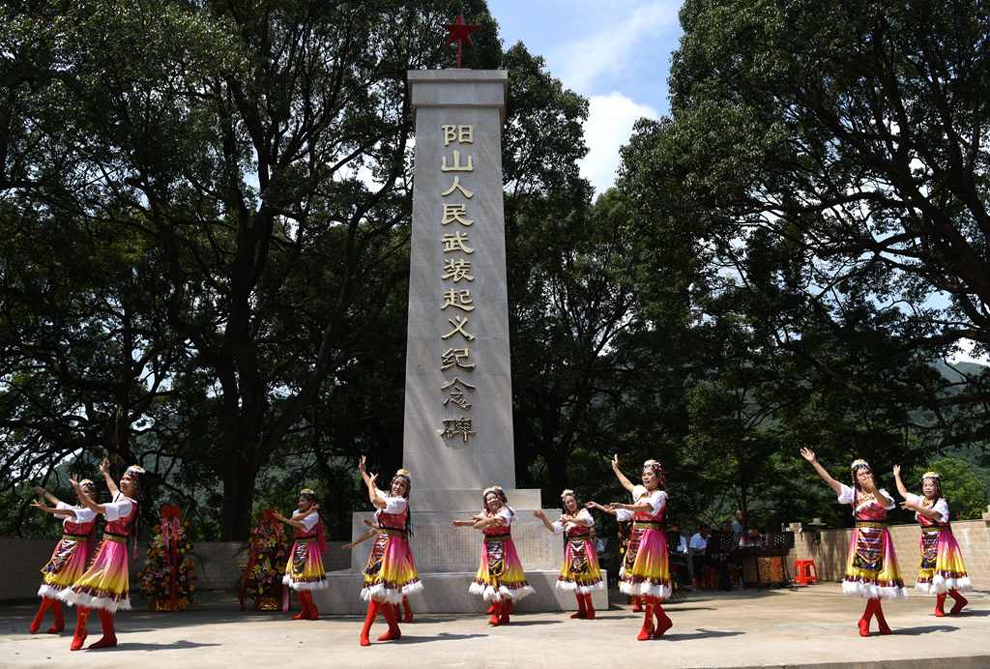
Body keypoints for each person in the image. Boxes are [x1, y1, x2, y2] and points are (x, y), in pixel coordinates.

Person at [800, 448, 906, 637]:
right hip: (863, 540)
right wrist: (814, 462)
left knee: (880, 581)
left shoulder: (882, 492)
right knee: (870, 583)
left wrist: (873, 489)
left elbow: (886, 504)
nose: (865, 476)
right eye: (861, 474)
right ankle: (878, 623)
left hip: (881, 539)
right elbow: (830, 481)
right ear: (855, 478)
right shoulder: (852, 493)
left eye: (867, 472)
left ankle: (866, 620)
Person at [60, 459, 144, 650]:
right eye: (123, 478)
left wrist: (79, 491)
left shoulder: (127, 505)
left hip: (113, 550)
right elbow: (113, 489)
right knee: (103, 595)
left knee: (84, 588)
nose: (123, 481)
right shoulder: (122, 499)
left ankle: (80, 632)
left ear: (137, 486)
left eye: (128, 480)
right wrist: (105, 472)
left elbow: (96, 508)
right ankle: (109, 636)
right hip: (109, 547)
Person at [357, 458, 421, 646]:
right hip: (381, 545)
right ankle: (394, 629)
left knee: (378, 591)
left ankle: (364, 632)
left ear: (406, 490)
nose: (398, 487)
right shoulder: (390, 499)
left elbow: (374, 499)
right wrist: (363, 472)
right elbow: (374, 488)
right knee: (380, 590)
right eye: (396, 483)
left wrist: (371, 485)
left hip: (393, 549)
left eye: (402, 485)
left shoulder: (399, 503)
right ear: (392, 484)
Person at [609, 455, 673, 640]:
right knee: (642, 583)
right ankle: (661, 620)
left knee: (649, 583)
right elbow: (628, 484)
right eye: (644, 474)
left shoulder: (660, 495)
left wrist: (624, 505)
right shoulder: (641, 492)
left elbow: (645, 508)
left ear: (658, 477)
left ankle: (648, 625)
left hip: (652, 539)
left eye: (650, 474)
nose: (645, 477)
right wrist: (616, 469)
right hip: (638, 538)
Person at [893, 466, 970, 616]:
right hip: (927, 540)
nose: (927, 487)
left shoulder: (941, 503)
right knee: (934, 573)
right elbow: (903, 493)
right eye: (925, 485)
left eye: (931, 485)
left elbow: (932, 513)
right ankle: (960, 600)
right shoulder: (921, 500)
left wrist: (915, 506)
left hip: (942, 541)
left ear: (937, 487)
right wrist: (896, 475)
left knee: (940, 573)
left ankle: (939, 607)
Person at [453, 485, 534, 626]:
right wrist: (463, 523)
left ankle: (505, 614)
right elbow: (476, 524)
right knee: (491, 581)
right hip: (489, 549)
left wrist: (484, 521)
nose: (492, 501)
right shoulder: (486, 512)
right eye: (489, 499)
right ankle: (497, 613)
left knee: (506, 581)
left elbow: (495, 521)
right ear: (486, 502)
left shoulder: (507, 511)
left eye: (494, 497)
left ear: (499, 498)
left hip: (505, 549)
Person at [29, 480, 98, 635]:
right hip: (62, 548)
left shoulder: (92, 511)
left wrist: (46, 509)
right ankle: (58, 622)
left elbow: (69, 513)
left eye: (86, 491)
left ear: (93, 495)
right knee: (51, 584)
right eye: (80, 491)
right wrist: (43, 492)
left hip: (75, 551)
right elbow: (58, 503)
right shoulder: (76, 508)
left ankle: (39, 619)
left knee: (55, 584)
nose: (82, 494)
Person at [534, 489, 604, 620]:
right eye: (568, 502)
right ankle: (582, 609)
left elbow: (588, 522)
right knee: (575, 579)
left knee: (584, 577)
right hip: (572, 548)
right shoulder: (565, 517)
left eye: (572, 501)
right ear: (565, 505)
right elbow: (553, 529)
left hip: (584, 546)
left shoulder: (583, 512)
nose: (571, 504)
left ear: (576, 501)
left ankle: (590, 609)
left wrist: (571, 519)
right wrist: (543, 518)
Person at [344, 518, 415, 622]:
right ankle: (396, 614)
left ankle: (408, 612)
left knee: (397, 583)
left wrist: (371, 524)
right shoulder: (383, 520)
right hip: (382, 554)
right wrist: (354, 543)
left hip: (394, 553)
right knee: (387, 584)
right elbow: (371, 532)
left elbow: (389, 529)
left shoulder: (395, 519)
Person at [273, 488, 326, 620]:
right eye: (299, 501)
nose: (299, 503)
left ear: (310, 502)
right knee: (296, 580)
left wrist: (284, 519)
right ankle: (305, 610)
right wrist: (308, 511)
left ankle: (312, 610)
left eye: (303, 501)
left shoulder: (315, 516)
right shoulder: (301, 512)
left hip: (308, 548)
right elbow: (294, 518)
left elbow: (300, 525)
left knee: (304, 580)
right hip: (298, 547)